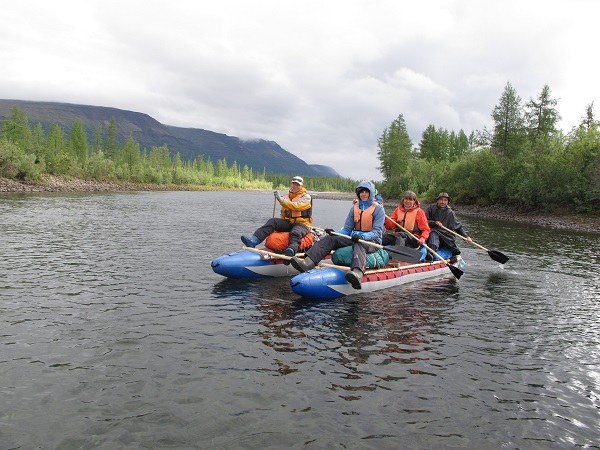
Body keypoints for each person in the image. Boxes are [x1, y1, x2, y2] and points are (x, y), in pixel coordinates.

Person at [290, 181, 384, 290]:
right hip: (355, 237)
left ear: (371, 193)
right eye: (361, 192)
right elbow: (347, 230)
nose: (363, 194)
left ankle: (357, 273)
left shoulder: (378, 209)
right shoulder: (354, 208)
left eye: (366, 192)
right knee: (331, 239)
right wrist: (334, 233)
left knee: (359, 244)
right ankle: (308, 262)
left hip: (372, 241)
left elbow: (377, 232)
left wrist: (362, 237)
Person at [241, 176, 312, 258]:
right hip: (289, 222)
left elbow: (296, 206)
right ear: (291, 184)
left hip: (302, 223)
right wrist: (280, 225)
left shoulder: (306, 197)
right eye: (294, 184)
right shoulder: (288, 196)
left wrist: (280, 199)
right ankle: (254, 240)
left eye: (297, 184)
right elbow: (283, 213)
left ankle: (291, 250)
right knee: (273, 221)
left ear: (301, 186)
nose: (295, 186)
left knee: (295, 232)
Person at [425, 192, 472, 257]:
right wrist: (434, 223)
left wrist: (466, 237)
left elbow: (458, 227)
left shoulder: (450, 212)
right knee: (433, 232)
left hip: (446, 237)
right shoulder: (431, 208)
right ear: (438, 200)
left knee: (434, 232)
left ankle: (431, 253)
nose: (443, 202)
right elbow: (424, 221)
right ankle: (431, 252)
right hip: (432, 234)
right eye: (441, 199)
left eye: (445, 200)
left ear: (447, 202)